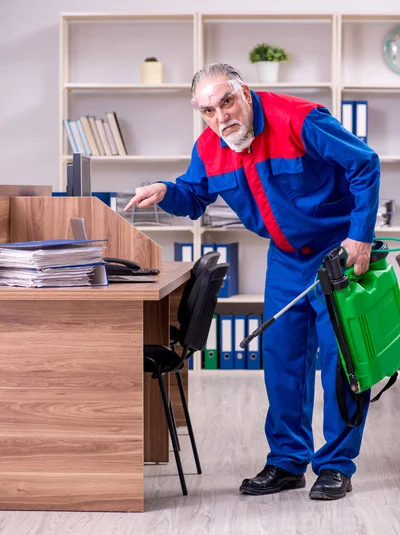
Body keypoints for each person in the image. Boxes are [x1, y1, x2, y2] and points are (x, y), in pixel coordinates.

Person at [124, 63, 380, 501]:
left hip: (337, 250)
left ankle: (336, 465)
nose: (221, 117)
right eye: (208, 110)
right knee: (282, 358)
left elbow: (365, 165)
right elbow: (194, 193)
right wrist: (168, 190)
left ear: (245, 92)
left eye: (226, 101)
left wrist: (360, 236)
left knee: (341, 361)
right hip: (286, 258)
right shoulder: (210, 146)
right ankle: (286, 462)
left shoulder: (300, 119)